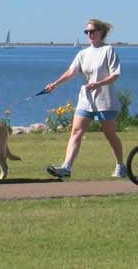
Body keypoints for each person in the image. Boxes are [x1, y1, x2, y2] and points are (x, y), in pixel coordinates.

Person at [45, 19, 126, 178]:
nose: (89, 34)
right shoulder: (83, 53)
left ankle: (121, 165)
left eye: (92, 31)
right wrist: (55, 84)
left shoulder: (108, 50)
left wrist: (98, 84)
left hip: (105, 100)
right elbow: (71, 71)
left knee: (109, 133)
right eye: (87, 32)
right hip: (86, 100)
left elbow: (115, 74)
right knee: (76, 131)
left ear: (101, 32)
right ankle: (66, 167)